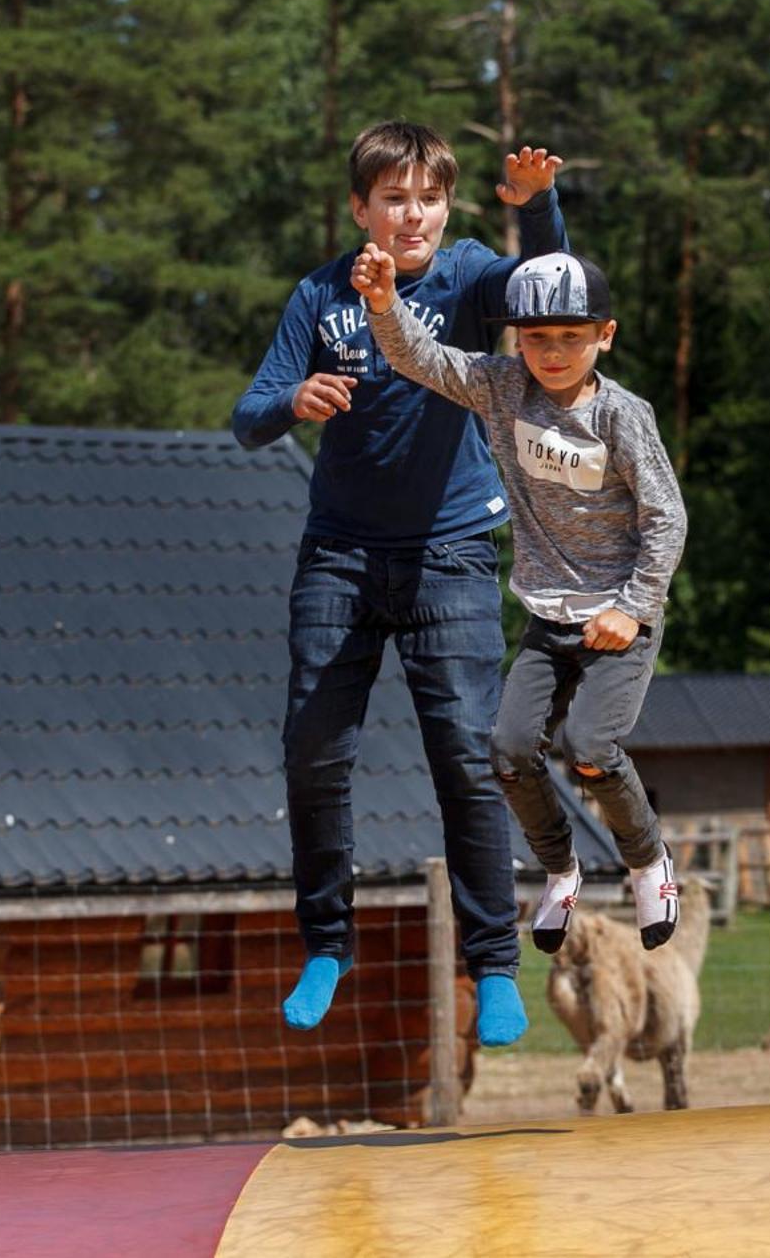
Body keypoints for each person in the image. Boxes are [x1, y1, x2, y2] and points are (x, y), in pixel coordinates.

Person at [231, 122, 569, 1046]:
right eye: (393, 198)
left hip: (452, 553)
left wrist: (537, 206)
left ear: (445, 207)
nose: (410, 214)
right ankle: (327, 944)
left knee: (466, 753)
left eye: (427, 198)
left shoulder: (464, 277)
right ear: (360, 208)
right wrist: (290, 401)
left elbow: (552, 291)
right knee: (313, 747)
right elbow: (247, 414)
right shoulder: (319, 294)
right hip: (338, 553)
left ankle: (493, 964)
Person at [351, 246, 688, 952]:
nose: (554, 353)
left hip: (619, 615)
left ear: (605, 335)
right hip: (548, 612)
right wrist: (384, 306)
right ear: (516, 341)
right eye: (538, 339)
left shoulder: (623, 417)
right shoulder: (505, 389)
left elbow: (667, 517)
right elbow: (425, 359)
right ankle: (559, 868)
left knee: (590, 746)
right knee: (506, 750)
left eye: (572, 339)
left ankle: (647, 860)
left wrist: (633, 605)